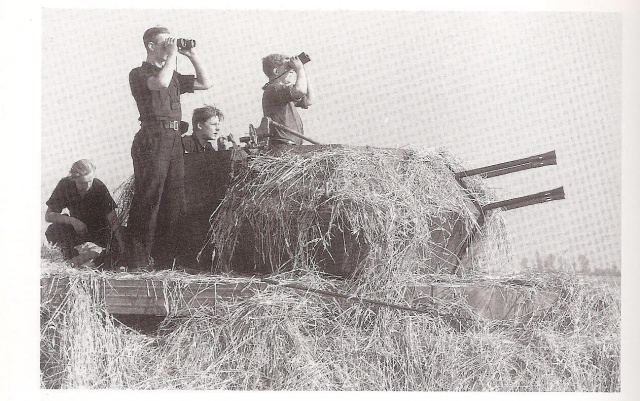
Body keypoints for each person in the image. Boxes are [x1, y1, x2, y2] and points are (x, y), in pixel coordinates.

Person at [128, 26, 212, 268]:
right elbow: (161, 83)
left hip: (174, 137)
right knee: (149, 196)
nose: (169, 45)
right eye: (164, 42)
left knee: (174, 199)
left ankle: (167, 259)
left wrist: (191, 55)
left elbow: (206, 83)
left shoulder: (172, 73)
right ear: (151, 46)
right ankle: (137, 260)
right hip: (153, 136)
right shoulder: (139, 73)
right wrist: (173, 54)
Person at [45, 159, 125, 265]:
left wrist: (122, 246)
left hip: (99, 232)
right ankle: (72, 259)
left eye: (90, 181)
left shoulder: (99, 187)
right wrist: (73, 221)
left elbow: (113, 219)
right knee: (53, 230)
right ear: (73, 179)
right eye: (82, 183)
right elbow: (48, 216)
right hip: (78, 230)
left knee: (116, 245)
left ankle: (91, 257)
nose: (87, 186)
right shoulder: (65, 185)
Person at [261, 53, 315, 145]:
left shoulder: (282, 92)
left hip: (290, 144)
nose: (292, 71)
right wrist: (300, 70)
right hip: (283, 144)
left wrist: (302, 72)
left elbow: (309, 100)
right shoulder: (274, 89)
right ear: (276, 71)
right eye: (287, 67)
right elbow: (300, 91)